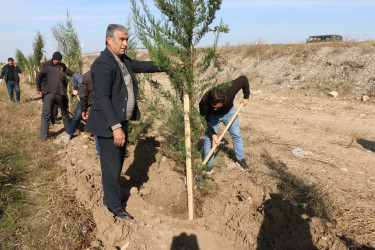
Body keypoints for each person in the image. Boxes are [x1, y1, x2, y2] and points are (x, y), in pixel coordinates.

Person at [85, 24, 162, 220]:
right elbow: (102, 98)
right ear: (109, 40)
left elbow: (143, 66)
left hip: (120, 122)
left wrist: (167, 65)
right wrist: (116, 126)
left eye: (127, 39)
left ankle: (113, 195)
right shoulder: (102, 64)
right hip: (109, 125)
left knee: (117, 163)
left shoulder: (122, 60)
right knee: (110, 167)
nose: (126, 43)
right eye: (122, 39)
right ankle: (113, 205)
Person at [199, 75, 250, 173]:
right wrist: (213, 134)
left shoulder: (231, 88)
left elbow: (244, 79)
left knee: (236, 134)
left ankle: (240, 159)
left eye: (217, 107)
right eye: (213, 106)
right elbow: (204, 119)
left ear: (225, 98)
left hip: (229, 113)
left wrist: (246, 97)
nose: (215, 109)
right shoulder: (204, 102)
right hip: (212, 117)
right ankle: (209, 165)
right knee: (209, 140)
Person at [36, 62, 70, 141]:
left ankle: (43, 138)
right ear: (61, 68)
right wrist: (64, 105)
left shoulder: (47, 68)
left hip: (49, 93)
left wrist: (38, 88)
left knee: (45, 115)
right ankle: (69, 133)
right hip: (61, 95)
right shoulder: (64, 76)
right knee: (65, 114)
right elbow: (64, 88)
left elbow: (39, 75)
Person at [40, 51, 77, 124]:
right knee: (49, 105)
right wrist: (41, 88)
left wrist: (75, 75)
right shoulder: (46, 65)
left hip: (58, 87)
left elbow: (67, 71)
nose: (59, 62)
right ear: (53, 60)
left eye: (60, 60)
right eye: (58, 61)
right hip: (47, 86)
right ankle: (50, 120)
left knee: (56, 104)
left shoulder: (61, 65)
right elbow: (41, 76)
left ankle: (54, 117)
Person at [78, 71, 101, 158]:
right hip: (110, 105)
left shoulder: (87, 76)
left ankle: (100, 152)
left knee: (96, 128)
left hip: (95, 105)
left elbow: (83, 94)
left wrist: (84, 109)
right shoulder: (110, 72)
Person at [63, 72, 84, 143]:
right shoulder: (84, 77)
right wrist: (75, 88)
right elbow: (75, 76)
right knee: (77, 116)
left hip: (95, 100)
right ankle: (69, 134)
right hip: (83, 99)